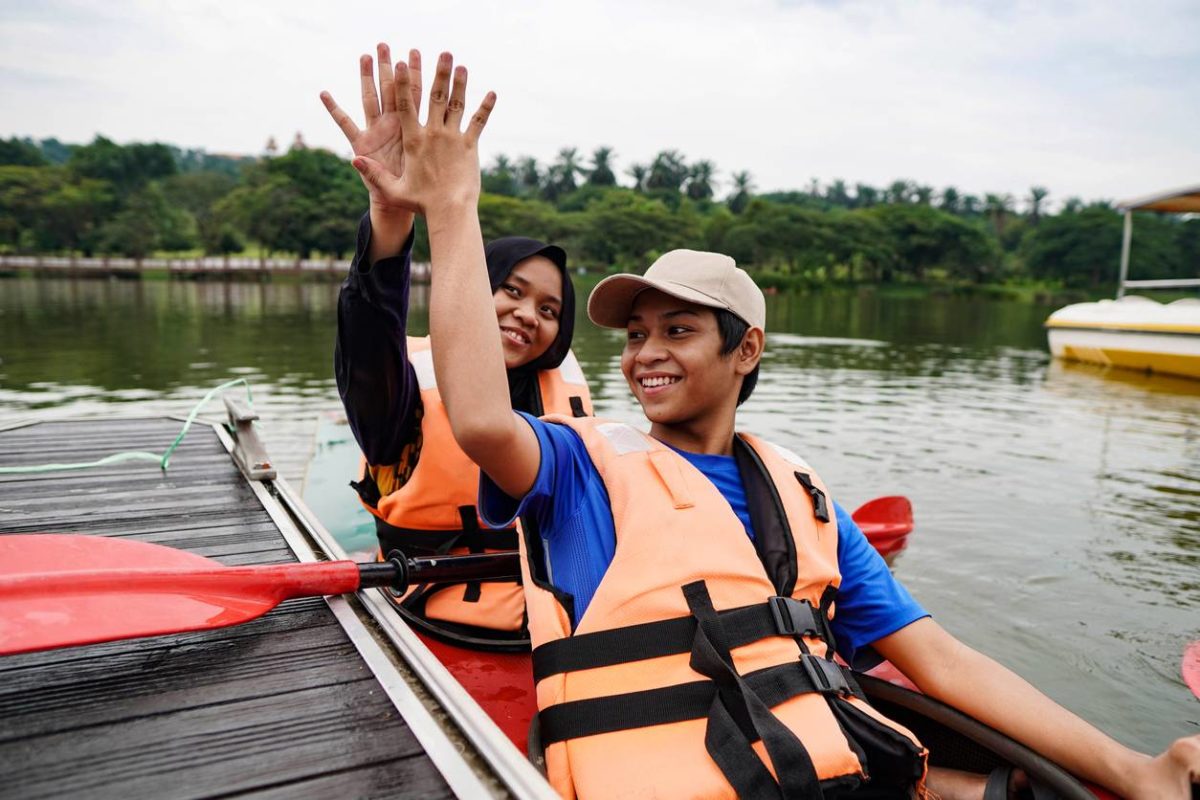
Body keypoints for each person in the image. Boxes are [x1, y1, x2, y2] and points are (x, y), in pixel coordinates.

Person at [347, 49, 1200, 800]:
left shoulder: (805, 497)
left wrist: (1134, 768)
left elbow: (940, 660)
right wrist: (452, 208)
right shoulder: (577, 468)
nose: (647, 354)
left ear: (745, 350)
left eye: (678, 332)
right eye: (636, 335)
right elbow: (479, 414)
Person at [321, 44, 592, 649]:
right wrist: (390, 220)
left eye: (550, 310)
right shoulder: (403, 395)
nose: (527, 315)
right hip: (429, 619)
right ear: (475, 285)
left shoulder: (565, 399)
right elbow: (367, 344)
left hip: (555, 628)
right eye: (511, 291)